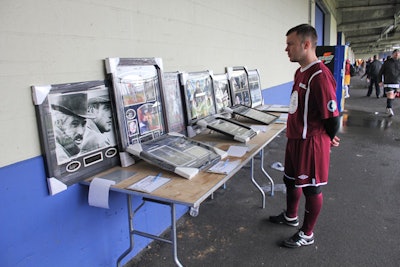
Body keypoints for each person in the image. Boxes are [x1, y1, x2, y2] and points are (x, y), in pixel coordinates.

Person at [269, 24, 340, 248]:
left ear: (306, 45)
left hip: (311, 142)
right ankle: (291, 216)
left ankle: (307, 233)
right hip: (295, 138)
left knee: (311, 187)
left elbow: (332, 116)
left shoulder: (320, 76)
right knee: (290, 180)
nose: (286, 49)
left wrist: (330, 137)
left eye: (290, 44)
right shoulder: (300, 71)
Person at [51, 93, 94, 164]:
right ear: (58, 123)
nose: (81, 131)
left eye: (83, 124)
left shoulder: (72, 149)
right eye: (74, 124)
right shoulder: (59, 154)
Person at [379, 49, 400, 117]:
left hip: (397, 82)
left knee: (393, 96)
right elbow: (380, 72)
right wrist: (380, 81)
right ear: (392, 54)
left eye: (398, 53)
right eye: (395, 53)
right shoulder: (387, 63)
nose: (397, 55)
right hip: (388, 82)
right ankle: (390, 108)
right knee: (390, 95)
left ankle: (388, 107)